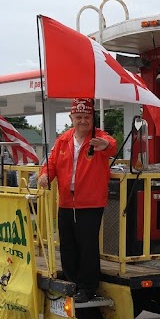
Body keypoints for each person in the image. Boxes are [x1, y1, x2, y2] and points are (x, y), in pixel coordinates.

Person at [37, 99, 117, 303]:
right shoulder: (63, 140)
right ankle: (71, 282)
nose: (83, 121)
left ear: (93, 119)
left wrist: (104, 144)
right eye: (79, 117)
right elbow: (51, 163)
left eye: (87, 117)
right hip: (65, 201)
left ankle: (88, 287)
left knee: (87, 246)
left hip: (90, 203)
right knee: (67, 244)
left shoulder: (99, 137)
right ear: (71, 118)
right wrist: (45, 175)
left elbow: (112, 146)